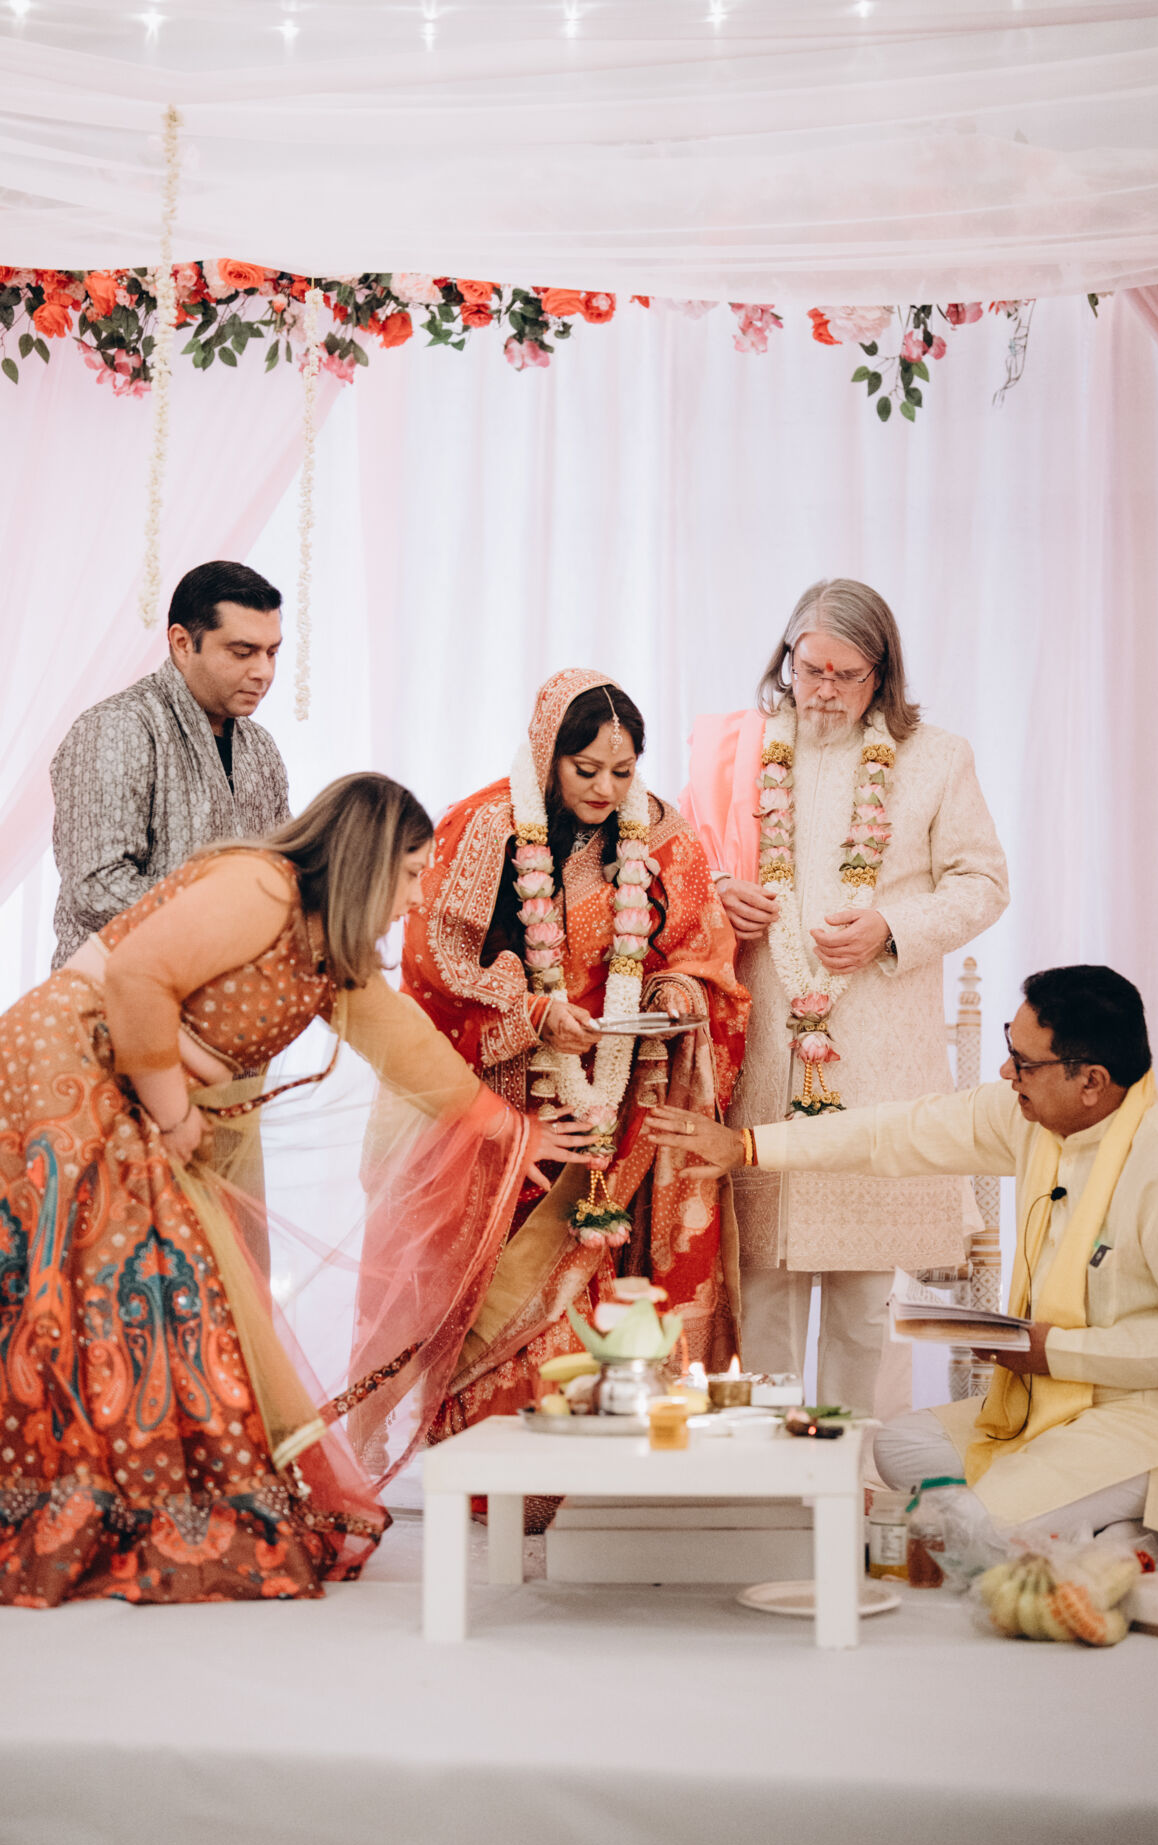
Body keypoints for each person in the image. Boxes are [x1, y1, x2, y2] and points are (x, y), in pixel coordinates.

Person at [0, 773, 587, 1606]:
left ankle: (131, 1498)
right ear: (365, 860)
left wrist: (510, 1130)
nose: (414, 898)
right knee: (97, 1292)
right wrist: (174, 1114)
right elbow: (134, 977)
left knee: (159, 1297)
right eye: (408, 875)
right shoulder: (262, 886)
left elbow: (407, 1049)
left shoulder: (329, 955)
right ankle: (78, 1499)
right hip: (68, 1069)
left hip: (139, 1092)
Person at [644, 966, 1158, 1565]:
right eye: (1009, 1047)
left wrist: (1055, 1353)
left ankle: (1149, 1505)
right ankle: (1109, 1518)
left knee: (971, 1531)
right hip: (1056, 1402)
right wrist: (749, 1145)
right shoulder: (1034, 1119)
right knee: (896, 1449)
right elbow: (898, 1132)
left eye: (1025, 1063)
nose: (1006, 1071)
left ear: (1092, 1081)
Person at [346, 668, 750, 1475]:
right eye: (586, 769)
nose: (606, 789)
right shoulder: (482, 827)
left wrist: (674, 994)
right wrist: (531, 1014)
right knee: (489, 1291)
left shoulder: (662, 837)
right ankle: (490, 1471)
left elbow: (705, 950)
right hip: (504, 1103)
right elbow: (431, 964)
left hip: (622, 1103)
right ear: (546, 756)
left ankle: (606, 1480)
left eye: (623, 772)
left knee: (610, 1290)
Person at [680, 578, 1008, 1418]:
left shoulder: (936, 757)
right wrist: (718, 893)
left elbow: (983, 882)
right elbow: (680, 863)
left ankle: (859, 1474)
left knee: (866, 1304)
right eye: (809, 667)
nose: (822, 689)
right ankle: (768, 1474)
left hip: (878, 1054)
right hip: (767, 1052)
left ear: (881, 674)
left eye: (846, 674)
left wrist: (891, 925)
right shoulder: (739, 752)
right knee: (766, 1289)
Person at [50, 559, 291, 968]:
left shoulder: (260, 746)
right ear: (182, 643)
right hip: (112, 995)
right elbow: (95, 888)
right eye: (242, 652)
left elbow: (280, 866)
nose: (263, 672)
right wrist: (224, 915)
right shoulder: (118, 728)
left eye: (272, 652)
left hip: (222, 996)